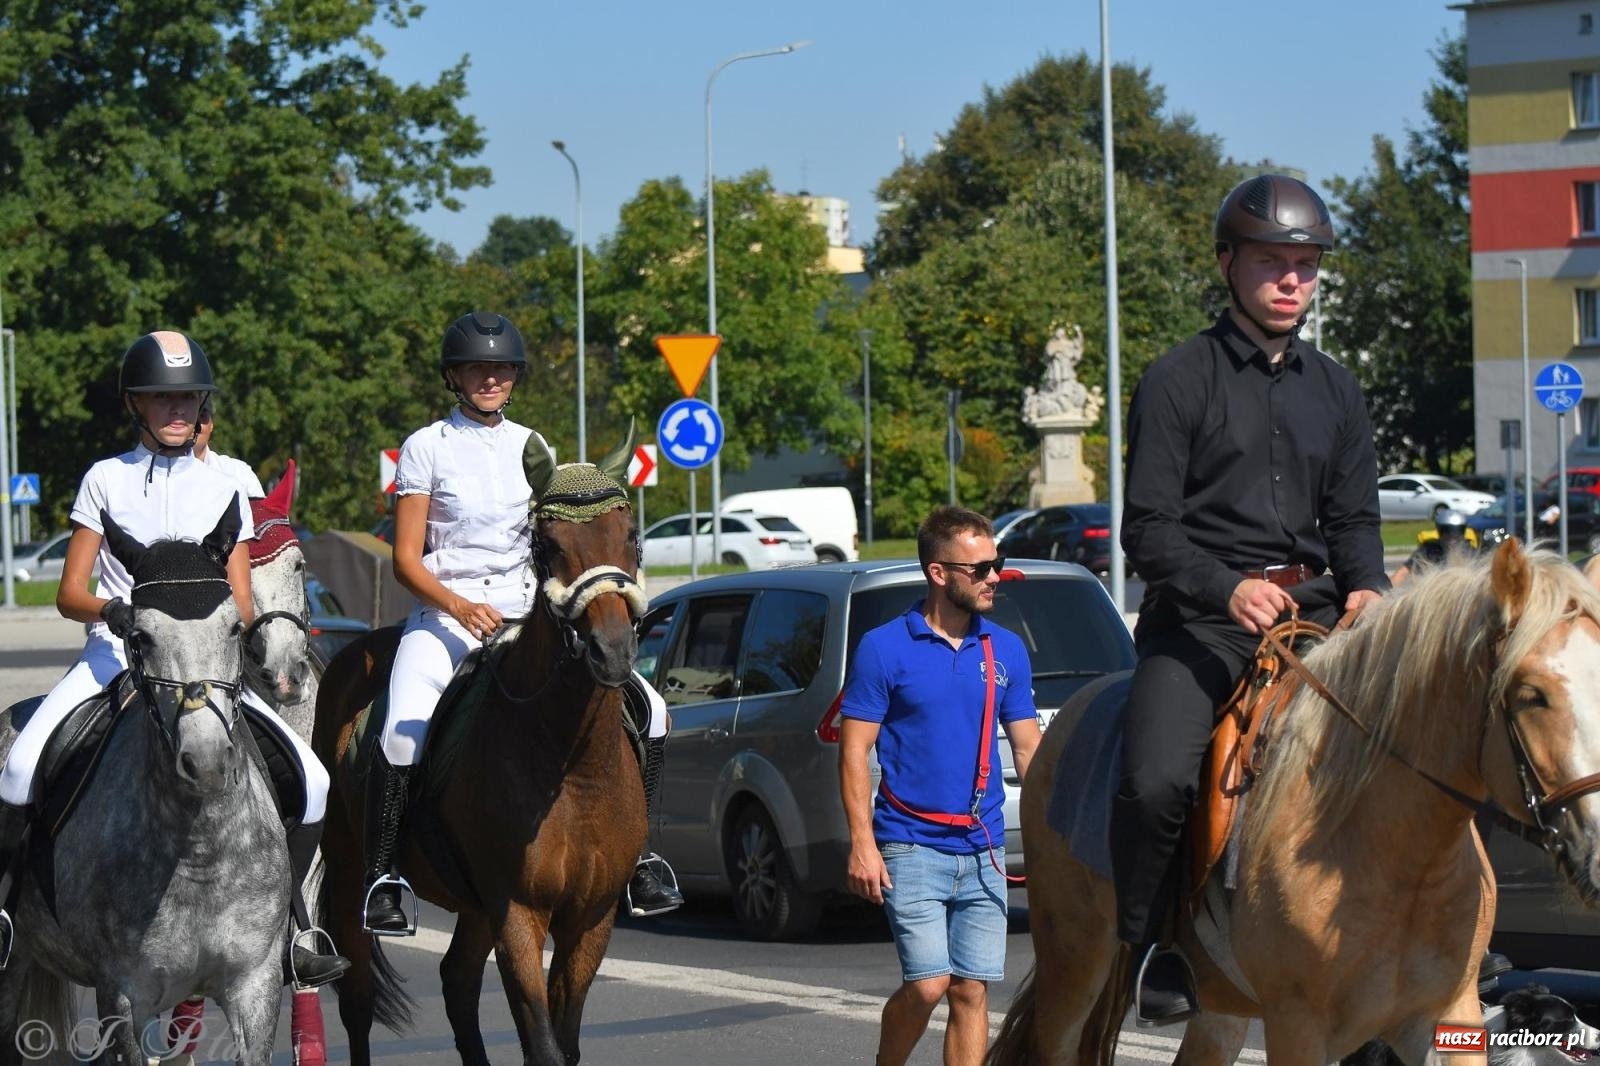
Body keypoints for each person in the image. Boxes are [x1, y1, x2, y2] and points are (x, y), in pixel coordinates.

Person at [1116, 175, 1389, 1026]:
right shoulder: (1176, 379)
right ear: (1228, 263)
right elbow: (1147, 531)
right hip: (1201, 622)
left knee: (1438, 723)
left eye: (1305, 266)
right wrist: (1224, 587)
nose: (1290, 281)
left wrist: (1371, 587)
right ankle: (1154, 942)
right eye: (1272, 262)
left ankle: (1445, 923)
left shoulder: (1338, 389)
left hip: (1315, 617)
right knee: (1156, 779)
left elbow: (1353, 521)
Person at [0, 331, 347, 984]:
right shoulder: (106, 478)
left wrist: (213, 633)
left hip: (207, 672)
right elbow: (72, 591)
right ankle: (8, 916)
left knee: (316, 779)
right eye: (163, 400)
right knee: (18, 767)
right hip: (113, 660)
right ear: (137, 404)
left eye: (187, 399)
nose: (177, 411)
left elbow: (242, 600)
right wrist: (114, 612)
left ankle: (297, 928)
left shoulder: (227, 487)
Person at [363, 311, 680, 935]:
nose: (491, 378)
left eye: (502, 368)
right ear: (454, 376)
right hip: (447, 612)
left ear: (515, 377)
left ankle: (642, 858)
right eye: (478, 368)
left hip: (529, 609)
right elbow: (404, 558)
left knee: (653, 709)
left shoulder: (535, 448)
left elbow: (558, 540)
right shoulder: (428, 446)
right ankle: (385, 875)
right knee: (401, 734)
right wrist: (457, 606)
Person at [839, 506, 1041, 1066]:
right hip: (910, 845)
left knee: (971, 990)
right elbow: (855, 750)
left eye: (996, 564)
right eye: (979, 569)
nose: (993, 577)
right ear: (938, 573)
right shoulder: (885, 647)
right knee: (929, 984)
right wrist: (862, 844)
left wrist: (1058, 835)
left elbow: (1028, 749)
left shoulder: (1006, 650)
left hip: (985, 849)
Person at [192, 394, 266, 498]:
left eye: (202, 416)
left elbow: (263, 513)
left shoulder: (239, 474)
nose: (196, 426)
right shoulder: (161, 477)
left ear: (212, 424)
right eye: (188, 417)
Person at [1392, 508, 1472, 585]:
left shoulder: (1471, 553)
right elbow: (1402, 573)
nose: (1452, 537)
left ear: (1463, 531)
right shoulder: (1428, 551)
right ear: (1439, 531)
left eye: (1457, 532)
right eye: (1447, 532)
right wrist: (1385, 594)